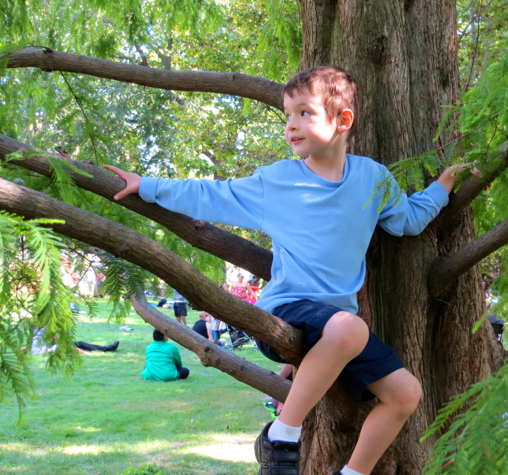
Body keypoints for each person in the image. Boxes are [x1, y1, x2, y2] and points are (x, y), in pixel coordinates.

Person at [104, 66, 465, 475]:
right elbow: (210, 194)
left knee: (405, 393)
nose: (291, 125)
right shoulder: (276, 182)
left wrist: (443, 186)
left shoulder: (371, 178)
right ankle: (281, 436)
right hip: (288, 312)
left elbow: (408, 221)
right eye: (287, 115)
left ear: (343, 120)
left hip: (340, 332)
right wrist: (146, 185)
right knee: (350, 328)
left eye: (304, 113)